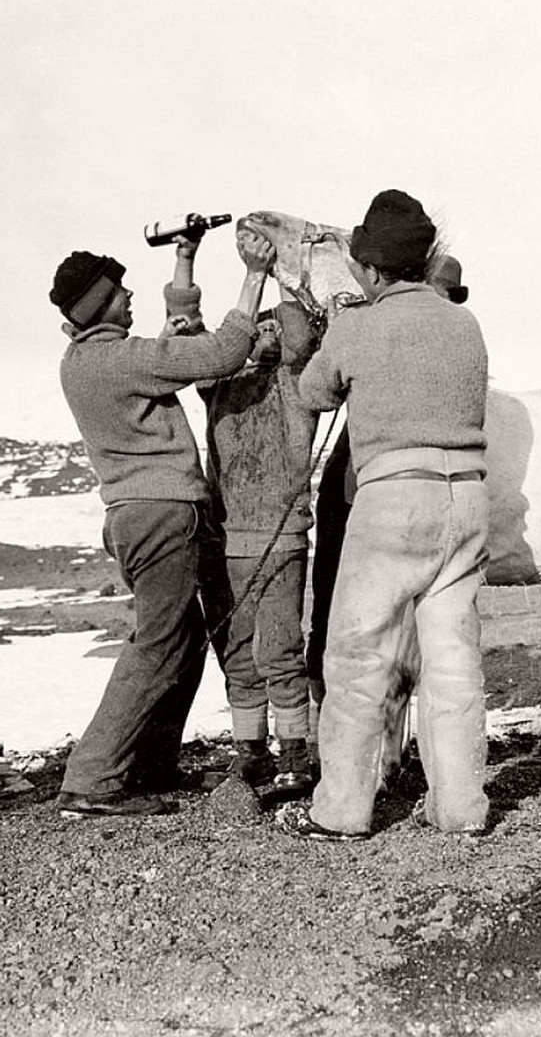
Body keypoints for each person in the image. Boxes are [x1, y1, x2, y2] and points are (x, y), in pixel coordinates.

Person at [279, 190, 490, 841]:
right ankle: (461, 810)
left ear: (369, 270)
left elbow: (312, 388)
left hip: (393, 496)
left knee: (358, 656)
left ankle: (340, 809)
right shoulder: (464, 324)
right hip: (466, 496)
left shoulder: (358, 323)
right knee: (453, 662)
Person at [50, 230, 273, 819]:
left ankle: (148, 763)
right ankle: (92, 777)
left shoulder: (85, 361)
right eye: (119, 290)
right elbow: (224, 353)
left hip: (141, 515)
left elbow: (167, 351)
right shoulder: (125, 359)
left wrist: (184, 258)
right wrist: (255, 276)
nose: (129, 296)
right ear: (99, 306)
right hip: (162, 515)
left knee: (183, 639)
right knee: (159, 641)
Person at [192, 222, 325, 801]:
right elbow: (195, 341)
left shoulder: (296, 381)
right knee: (239, 655)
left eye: (273, 325)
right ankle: (249, 753)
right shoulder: (219, 379)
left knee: (280, 649)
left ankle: (294, 752)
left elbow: (297, 339)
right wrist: (185, 273)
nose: (266, 333)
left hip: (281, 539)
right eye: (259, 325)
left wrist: (277, 270)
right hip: (225, 541)